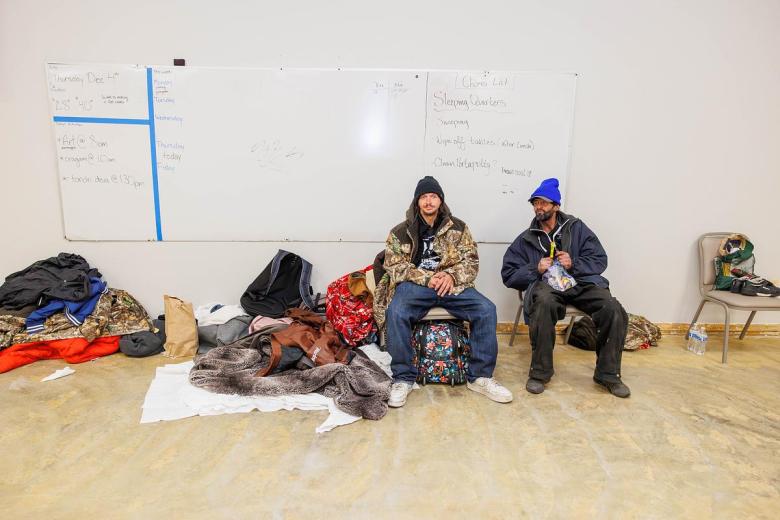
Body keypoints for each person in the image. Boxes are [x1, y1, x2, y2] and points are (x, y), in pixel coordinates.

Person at [380, 176, 513, 407]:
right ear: (417, 201)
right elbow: (394, 266)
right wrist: (428, 278)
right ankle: (403, 378)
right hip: (417, 286)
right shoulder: (400, 232)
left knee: (486, 309)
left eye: (433, 196)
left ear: (440, 200)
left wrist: (451, 276)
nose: (429, 201)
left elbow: (471, 262)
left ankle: (480, 377)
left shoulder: (459, 228)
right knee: (396, 311)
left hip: (451, 284)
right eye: (424, 197)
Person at [501, 178, 631, 398]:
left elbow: (600, 260)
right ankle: (540, 373)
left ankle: (608, 375)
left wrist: (575, 263)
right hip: (548, 287)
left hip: (580, 283)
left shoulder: (577, 228)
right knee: (542, 304)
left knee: (613, 308)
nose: (538, 207)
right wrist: (536, 268)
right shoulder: (526, 238)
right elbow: (508, 274)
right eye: (535, 203)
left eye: (544, 203)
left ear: (556, 206)